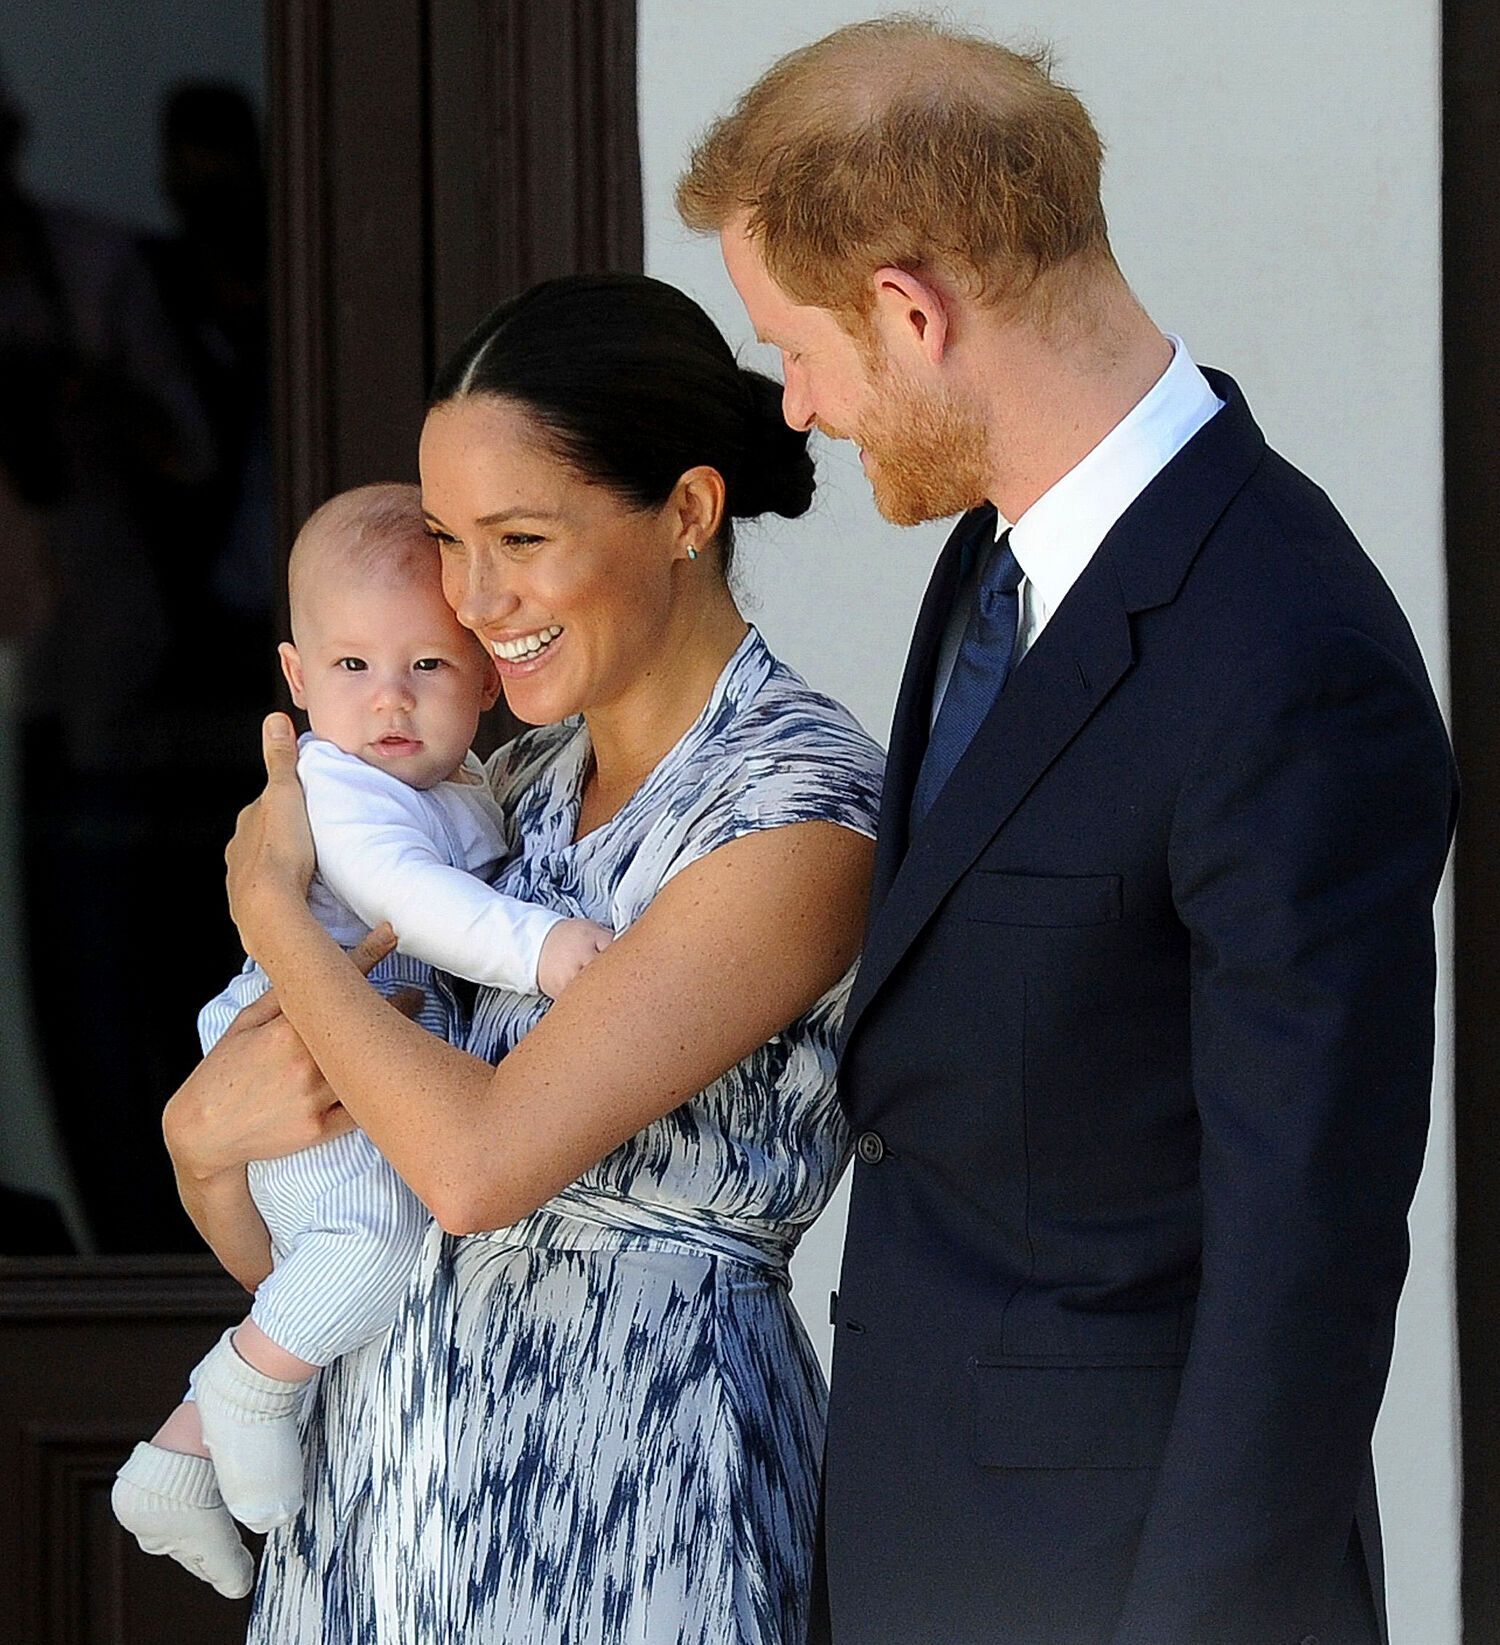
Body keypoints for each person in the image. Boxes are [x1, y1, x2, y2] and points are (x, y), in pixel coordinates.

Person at [678, 17, 1459, 1645]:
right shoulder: (996, 568)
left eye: (794, 349)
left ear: (911, 308)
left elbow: (1302, 1266)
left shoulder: (1291, 655)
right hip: (923, 1553)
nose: (800, 409)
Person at [158, 272, 884, 1642]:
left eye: (521, 537)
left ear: (687, 511)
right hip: (379, 1508)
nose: (472, 597)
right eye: (445, 537)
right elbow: (320, 1249)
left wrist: (272, 914)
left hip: (632, 1514)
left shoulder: (797, 804)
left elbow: (477, 1167)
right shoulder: (504, 785)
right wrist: (201, 1149)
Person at [111, 482, 612, 1596]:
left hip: (355, 1048)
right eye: (350, 669)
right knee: (374, 1241)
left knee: (358, 1241)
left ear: (486, 674)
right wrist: (543, 949)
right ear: (295, 679)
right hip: (302, 1043)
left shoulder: (470, 783)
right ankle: (243, 1389)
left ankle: (178, 1459)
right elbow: (414, 904)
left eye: (426, 668)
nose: (388, 700)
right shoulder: (336, 791)